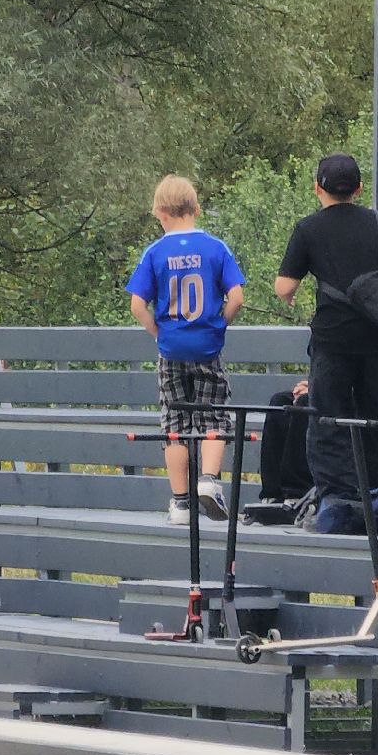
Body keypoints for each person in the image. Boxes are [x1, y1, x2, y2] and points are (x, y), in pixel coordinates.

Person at [274, 153, 378, 501]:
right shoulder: (377, 223)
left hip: (333, 339)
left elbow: (284, 287)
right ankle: (377, 495)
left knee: (327, 420)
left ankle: (335, 498)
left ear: (318, 188)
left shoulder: (308, 228)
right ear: (359, 188)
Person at [126, 174, 247, 525]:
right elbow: (237, 296)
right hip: (207, 348)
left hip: (171, 349)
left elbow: (137, 304)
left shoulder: (155, 252)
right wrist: (219, 324)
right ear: (195, 208)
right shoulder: (215, 248)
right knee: (213, 415)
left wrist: (158, 333)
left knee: (175, 422)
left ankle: (180, 502)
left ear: (161, 213)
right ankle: (208, 481)